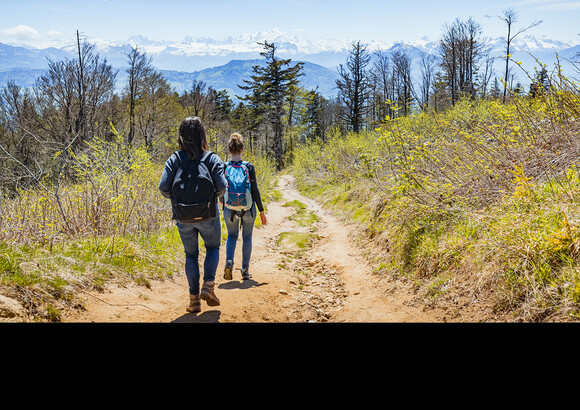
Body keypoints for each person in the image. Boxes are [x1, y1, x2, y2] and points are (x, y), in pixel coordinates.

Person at [158, 117, 227, 313]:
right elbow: (222, 187)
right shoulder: (211, 158)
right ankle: (209, 286)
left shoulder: (175, 159)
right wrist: (213, 197)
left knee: (191, 255)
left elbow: (163, 187)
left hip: (183, 216)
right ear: (202, 135)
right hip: (208, 214)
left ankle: (194, 300)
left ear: (181, 137)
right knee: (213, 247)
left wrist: (178, 200)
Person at [222, 133, 267, 281]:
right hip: (248, 209)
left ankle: (229, 262)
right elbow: (255, 191)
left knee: (232, 235)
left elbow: (221, 188)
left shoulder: (225, 166)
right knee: (247, 237)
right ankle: (245, 270)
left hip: (230, 209)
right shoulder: (248, 166)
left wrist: (222, 201)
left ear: (229, 150)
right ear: (242, 150)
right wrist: (261, 211)